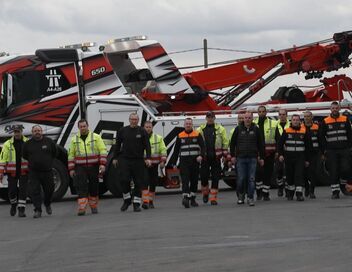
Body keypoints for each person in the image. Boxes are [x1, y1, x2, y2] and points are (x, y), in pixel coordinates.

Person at [113, 113, 151, 212]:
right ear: (129, 120)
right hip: (125, 159)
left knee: (139, 182)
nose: (134, 121)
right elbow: (117, 145)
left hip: (138, 160)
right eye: (132, 119)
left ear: (138, 121)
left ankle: (136, 204)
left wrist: (148, 158)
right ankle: (127, 200)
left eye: (136, 119)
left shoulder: (142, 131)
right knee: (124, 180)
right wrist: (115, 157)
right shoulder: (122, 131)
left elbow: (147, 146)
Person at [68, 119, 107, 216]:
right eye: (81, 127)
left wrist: (102, 164)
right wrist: (71, 169)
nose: (83, 128)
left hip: (94, 166)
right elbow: (71, 155)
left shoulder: (96, 137)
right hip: (80, 167)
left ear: (88, 126)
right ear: (78, 127)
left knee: (94, 186)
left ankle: (93, 206)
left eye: (84, 126)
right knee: (81, 186)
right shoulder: (74, 139)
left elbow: (103, 150)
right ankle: (82, 208)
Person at [230, 112, 264, 206]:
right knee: (241, 179)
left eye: (249, 117)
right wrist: (232, 156)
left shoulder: (256, 129)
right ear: (243, 119)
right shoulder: (238, 129)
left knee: (251, 179)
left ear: (252, 119)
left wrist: (261, 157)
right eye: (246, 118)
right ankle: (241, 195)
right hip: (240, 158)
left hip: (253, 158)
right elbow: (232, 144)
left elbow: (261, 144)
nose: (248, 119)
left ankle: (250, 197)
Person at [23, 125, 57, 218]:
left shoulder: (49, 141)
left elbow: (55, 153)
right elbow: (25, 155)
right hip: (34, 172)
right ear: (32, 132)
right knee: (35, 191)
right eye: (35, 131)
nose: (37, 132)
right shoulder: (27, 144)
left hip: (47, 171)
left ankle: (47, 203)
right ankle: (37, 210)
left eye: (38, 130)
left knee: (49, 190)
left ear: (42, 131)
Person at [320, 101, 352, 199]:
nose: (334, 110)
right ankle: (335, 192)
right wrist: (324, 150)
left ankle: (343, 182)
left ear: (339, 109)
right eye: (333, 108)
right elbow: (321, 137)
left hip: (344, 149)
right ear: (330, 109)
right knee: (333, 171)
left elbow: (350, 135)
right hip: (331, 151)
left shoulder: (345, 119)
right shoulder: (325, 121)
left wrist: (349, 147)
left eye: (336, 108)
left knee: (346, 168)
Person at [172, 118, 205, 208]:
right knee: (185, 180)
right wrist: (174, 163)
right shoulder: (180, 135)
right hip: (184, 162)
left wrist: (201, 156)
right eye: (186, 123)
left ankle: (193, 198)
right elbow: (176, 151)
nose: (188, 125)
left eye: (190, 123)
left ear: (192, 124)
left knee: (194, 180)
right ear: (184, 125)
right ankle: (186, 197)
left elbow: (203, 146)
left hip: (195, 162)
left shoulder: (197, 134)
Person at [197, 111, 228, 205]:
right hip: (205, 158)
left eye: (212, 117)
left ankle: (213, 198)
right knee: (203, 177)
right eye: (208, 117)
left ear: (214, 118)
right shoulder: (200, 130)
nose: (210, 119)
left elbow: (225, 142)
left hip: (216, 158)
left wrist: (225, 156)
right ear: (206, 118)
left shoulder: (220, 129)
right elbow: (196, 144)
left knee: (215, 178)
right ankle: (205, 193)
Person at [278, 115, 311, 201]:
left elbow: (308, 147)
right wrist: (281, 155)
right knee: (290, 175)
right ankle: (291, 193)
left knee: (299, 175)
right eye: (294, 120)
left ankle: (299, 194)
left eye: (297, 120)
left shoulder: (304, 131)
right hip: (289, 157)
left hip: (300, 157)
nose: (295, 121)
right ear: (291, 121)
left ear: (300, 121)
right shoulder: (286, 131)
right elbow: (280, 145)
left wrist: (307, 159)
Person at [0, 125, 28, 217]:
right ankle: (13, 205)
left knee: (23, 190)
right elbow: (3, 158)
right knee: (12, 190)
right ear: (13, 132)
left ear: (21, 132)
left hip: (24, 170)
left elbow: (31, 156)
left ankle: (21, 209)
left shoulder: (27, 142)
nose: (17, 133)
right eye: (15, 132)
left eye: (18, 131)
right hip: (12, 172)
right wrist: (1, 172)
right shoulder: (7, 144)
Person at [254, 106, 278, 200]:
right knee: (258, 173)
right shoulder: (253, 124)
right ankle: (259, 191)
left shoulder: (273, 123)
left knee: (268, 173)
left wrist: (278, 151)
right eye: (260, 111)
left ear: (266, 112)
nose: (261, 113)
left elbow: (278, 138)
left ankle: (266, 193)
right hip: (257, 154)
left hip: (269, 153)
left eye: (263, 111)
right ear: (257, 113)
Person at [142, 121, 167, 209]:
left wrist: (163, 161)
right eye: (146, 127)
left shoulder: (158, 138)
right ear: (144, 128)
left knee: (153, 183)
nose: (148, 129)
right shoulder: (140, 138)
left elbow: (163, 150)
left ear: (152, 128)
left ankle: (151, 201)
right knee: (144, 182)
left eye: (150, 127)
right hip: (143, 165)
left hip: (155, 165)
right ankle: (145, 201)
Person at [302, 111, 320, 199]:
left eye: (308, 116)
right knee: (304, 173)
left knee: (313, 172)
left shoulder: (316, 127)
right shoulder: (300, 127)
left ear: (311, 117)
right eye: (305, 116)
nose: (307, 118)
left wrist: (323, 152)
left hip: (314, 153)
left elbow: (321, 140)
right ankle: (306, 187)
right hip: (303, 153)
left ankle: (312, 191)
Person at [274, 109, 290, 197]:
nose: (282, 116)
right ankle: (280, 186)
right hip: (278, 151)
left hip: (289, 150)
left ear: (286, 115)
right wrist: (277, 151)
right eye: (280, 114)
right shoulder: (275, 125)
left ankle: (287, 189)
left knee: (287, 171)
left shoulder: (290, 124)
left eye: (284, 114)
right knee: (279, 170)